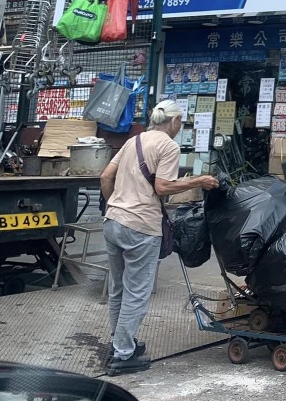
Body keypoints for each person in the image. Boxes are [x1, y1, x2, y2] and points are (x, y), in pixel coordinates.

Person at [99, 99, 219, 376]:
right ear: (174, 121)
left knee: (118, 288)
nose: (181, 128)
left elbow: (106, 176)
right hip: (140, 226)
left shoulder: (134, 140)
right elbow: (163, 187)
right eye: (181, 123)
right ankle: (123, 354)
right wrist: (199, 181)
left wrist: (116, 204)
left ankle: (120, 342)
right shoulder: (168, 145)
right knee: (137, 292)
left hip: (113, 221)